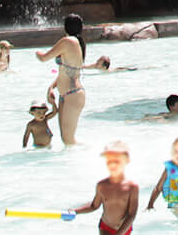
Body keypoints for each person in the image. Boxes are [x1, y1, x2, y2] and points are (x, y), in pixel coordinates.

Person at [39, 14, 111, 146]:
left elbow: (43, 58)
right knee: (66, 140)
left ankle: (92, 151)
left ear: (65, 27)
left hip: (73, 94)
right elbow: (65, 71)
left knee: (69, 140)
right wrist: (51, 87)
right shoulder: (76, 43)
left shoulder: (68, 41)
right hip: (65, 94)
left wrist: (36, 52)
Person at [72, 140, 139, 235]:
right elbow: (94, 206)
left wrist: (119, 233)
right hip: (105, 227)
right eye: (109, 161)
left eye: (117, 161)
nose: (113, 164)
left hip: (123, 229)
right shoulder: (102, 185)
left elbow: (132, 215)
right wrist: (74, 212)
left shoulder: (132, 188)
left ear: (126, 161)